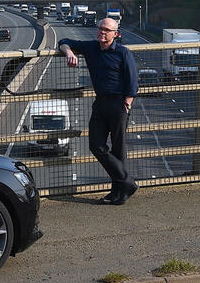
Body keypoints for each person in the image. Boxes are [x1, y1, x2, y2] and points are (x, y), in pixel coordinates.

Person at [58, 17, 140, 204]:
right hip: (100, 104)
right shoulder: (91, 48)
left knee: (118, 150)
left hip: (119, 104)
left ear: (115, 34)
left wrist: (127, 104)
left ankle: (118, 193)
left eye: (107, 30)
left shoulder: (123, 53)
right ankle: (127, 183)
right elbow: (64, 42)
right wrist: (69, 52)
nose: (102, 32)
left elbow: (133, 82)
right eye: (100, 28)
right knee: (96, 146)